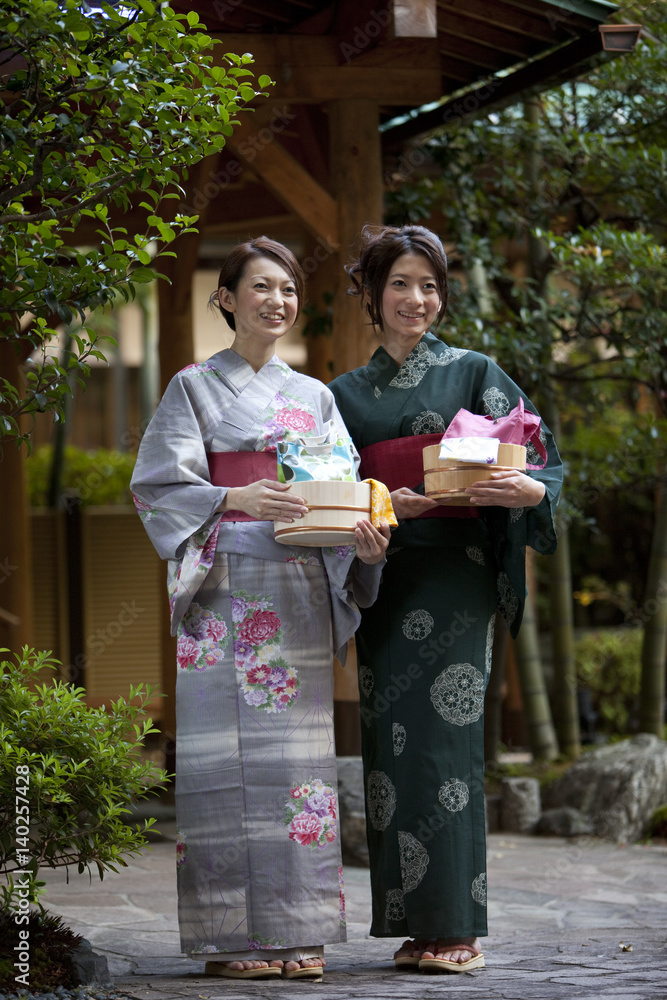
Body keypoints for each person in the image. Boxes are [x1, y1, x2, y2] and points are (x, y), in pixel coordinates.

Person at [131, 236, 389, 982]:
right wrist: (232, 496)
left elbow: (340, 493)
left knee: (296, 767)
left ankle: (298, 932)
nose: (277, 301)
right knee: (220, 764)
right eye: (261, 287)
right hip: (221, 589)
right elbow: (156, 486)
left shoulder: (314, 396)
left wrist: (359, 546)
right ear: (227, 297)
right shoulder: (192, 387)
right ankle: (231, 939)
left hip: (297, 589)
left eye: (288, 290)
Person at [329, 224, 562, 974]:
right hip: (383, 570)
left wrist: (524, 487)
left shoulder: (474, 372)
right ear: (372, 292)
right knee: (392, 745)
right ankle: (411, 920)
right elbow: (332, 487)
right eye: (399, 283)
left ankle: (454, 926)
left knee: (444, 746)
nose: (415, 299)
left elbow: (538, 457)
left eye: (428, 286)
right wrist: (372, 511)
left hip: (457, 572)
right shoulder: (342, 396)